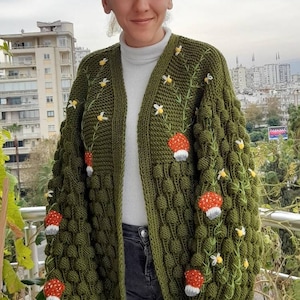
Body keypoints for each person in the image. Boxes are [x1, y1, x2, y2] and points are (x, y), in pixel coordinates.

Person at [43, 0, 263, 299]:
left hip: (190, 260)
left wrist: (210, 270)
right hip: (111, 262)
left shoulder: (203, 63)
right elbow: (69, 177)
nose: (141, 6)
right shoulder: (92, 72)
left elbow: (228, 178)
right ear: (106, 3)